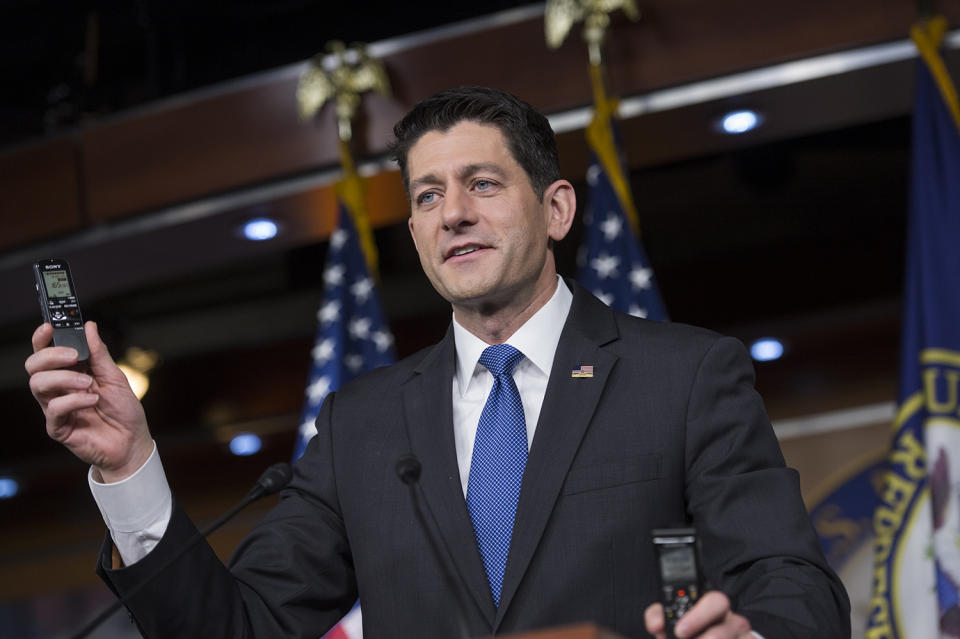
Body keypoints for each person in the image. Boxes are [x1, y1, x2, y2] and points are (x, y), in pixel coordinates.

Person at [26, 86, 849, 639]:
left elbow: (797, 588)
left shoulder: (686, 375)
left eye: (483, 184)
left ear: (556, 208)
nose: (453, 213)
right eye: (426, 196)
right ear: (415, 234)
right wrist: (132, 465)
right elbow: (237, 628)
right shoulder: (362, 425)